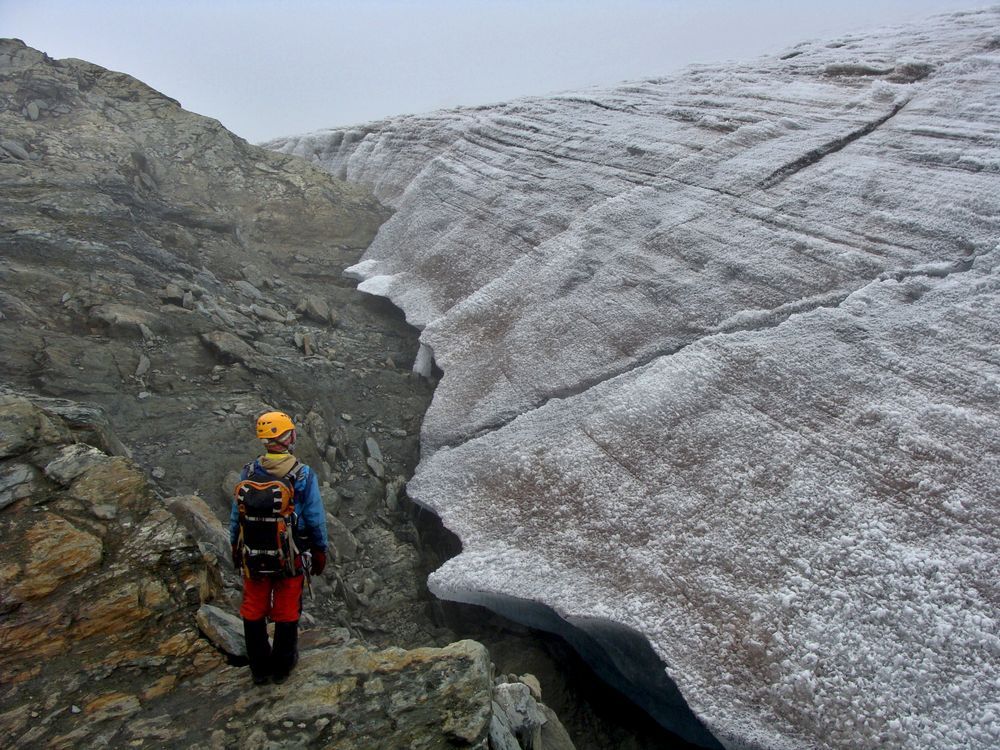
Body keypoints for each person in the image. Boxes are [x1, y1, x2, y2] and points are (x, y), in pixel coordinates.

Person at [230, 410, 328, 685]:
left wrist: (235, 548)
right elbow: (315, 518)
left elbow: (235, 516)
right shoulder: (303, 475)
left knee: (253, 605)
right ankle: (283, 665)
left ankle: (259, 668)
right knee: (286, 605)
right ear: (288, 437)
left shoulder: (248, 472)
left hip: (253, 553)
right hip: (291, 554)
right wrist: (320, 550)